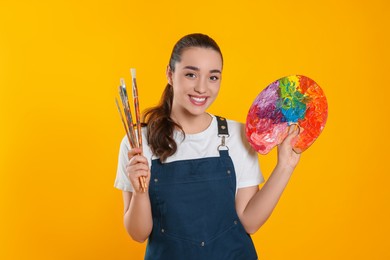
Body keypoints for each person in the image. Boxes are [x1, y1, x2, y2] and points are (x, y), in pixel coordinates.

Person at [115, 33, 300, 259]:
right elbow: (138, 233)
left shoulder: (238, 135)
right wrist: (140, 191)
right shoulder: (138, 142)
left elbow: (250, 222)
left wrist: (285, 166)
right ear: (170, 74)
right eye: (191, 74)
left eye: (213, 77)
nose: (202, 88)